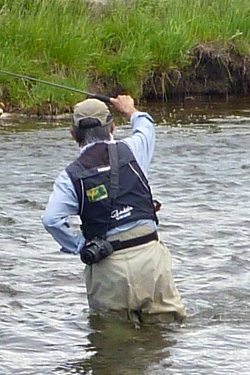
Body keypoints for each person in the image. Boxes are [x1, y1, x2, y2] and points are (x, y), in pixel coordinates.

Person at [42, 95, 187, 323]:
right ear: (112, 127)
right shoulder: (134, 150)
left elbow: (51, 220)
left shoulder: (70, 177)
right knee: (166, 337)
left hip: (107, 268)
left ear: (73, 135)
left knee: (112, 348)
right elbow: (146, 126)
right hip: (150, 260)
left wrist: (79, 245)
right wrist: (130, 110)